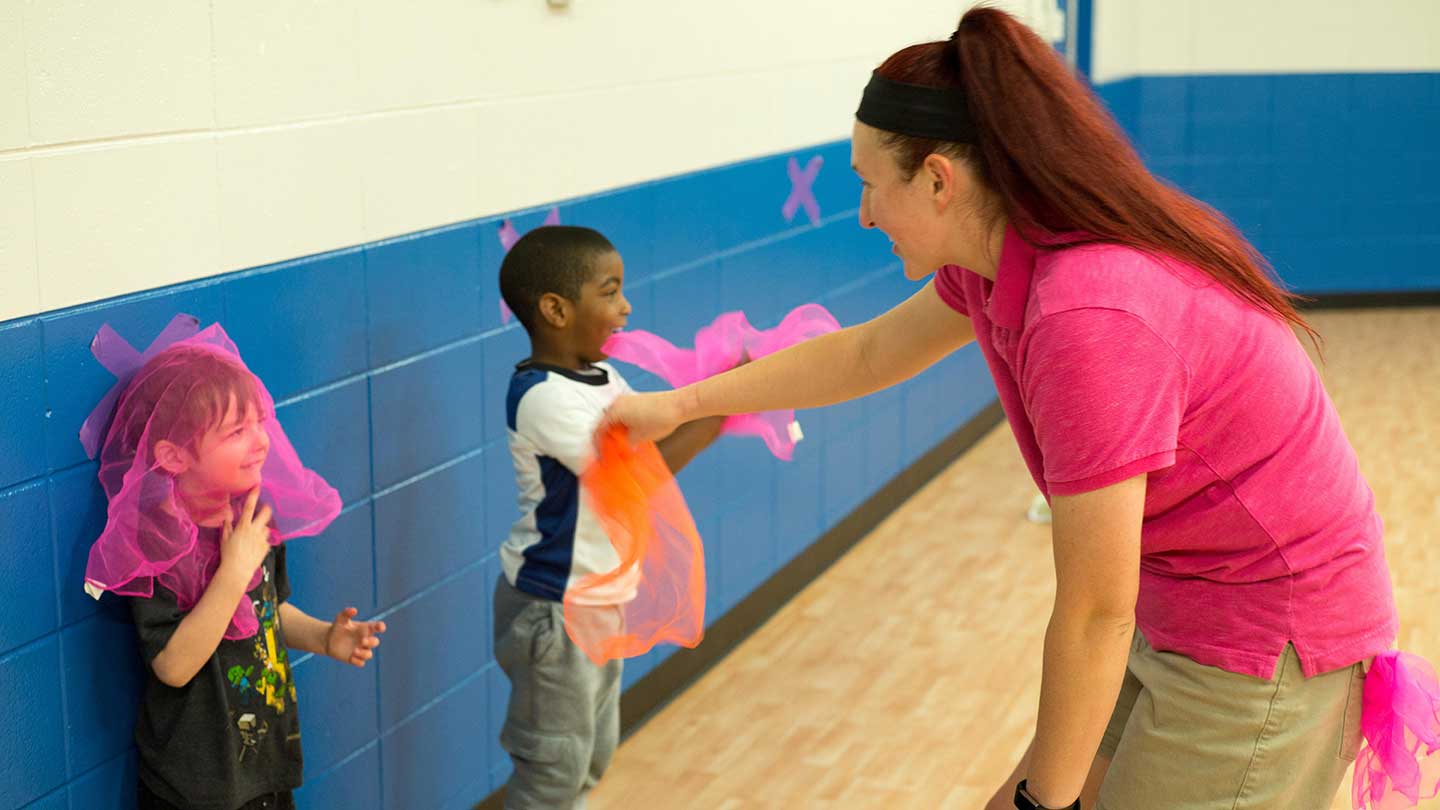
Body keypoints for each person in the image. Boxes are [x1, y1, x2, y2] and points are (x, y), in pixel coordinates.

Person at [604, 8, 1396, 809]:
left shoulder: (1088, 316)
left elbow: (1093, 611)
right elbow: (867, 354)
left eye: (871, 187)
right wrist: (683, 405)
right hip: (1184, 609)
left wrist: (1040, 802)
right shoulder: (999, 259)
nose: (866, 215)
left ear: (940, 182)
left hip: (1267, 644)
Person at [81, 325, 386, 810]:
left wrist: (324, 637)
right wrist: (232, 569)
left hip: (262, 767)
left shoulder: (251, 515)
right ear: (173, 455)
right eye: (236, 432)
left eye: (259, 423)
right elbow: (173, 667)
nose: (261, 442)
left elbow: (268, 612)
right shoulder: (155, 542)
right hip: (197, 789)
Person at [493, 225, 727, 809]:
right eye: (610, 291)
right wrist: (717, 412)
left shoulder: (601, 377)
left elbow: (646, 431)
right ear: (555, 309)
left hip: (598, 602)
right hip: (554, 610)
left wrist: (717, 390)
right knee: (551, 773)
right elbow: (636, 473)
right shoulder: (543, 395)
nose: (626, 306)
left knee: (590, 759)